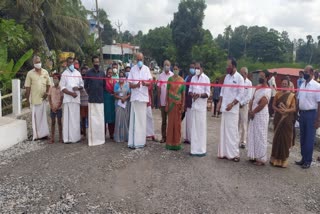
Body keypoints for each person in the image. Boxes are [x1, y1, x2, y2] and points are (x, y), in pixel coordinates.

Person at [217, 57, 244, 162]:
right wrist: (219, 102)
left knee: (232, 132)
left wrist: (232, 104)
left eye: (228, 66)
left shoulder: (239, 78)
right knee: (224, 131)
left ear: (234, 66)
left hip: (232, 110)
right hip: (224, 108)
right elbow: (222, 91)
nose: (227, 67)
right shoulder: (227, 77)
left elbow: (240, 94)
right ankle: (223, 153)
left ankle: (234, 154)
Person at [295, 65, 320, 169]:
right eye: (303, 72)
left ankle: (308, 161)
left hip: (311, 114)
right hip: (303, 114)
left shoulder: (316, 86)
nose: (304, 73)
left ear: (311, 73)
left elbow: (319, 103)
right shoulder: (302, 85)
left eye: (306, 72)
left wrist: (318, 119)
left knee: (309, 138)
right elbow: (298, 100)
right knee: (302, 137)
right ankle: (303, 158)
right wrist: (296, 113)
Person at [127, 53, 152, 149]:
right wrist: (136, 85)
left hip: (143, 98)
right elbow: (129, 84)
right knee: (135, 120)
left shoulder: (146, 69)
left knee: (142, 121)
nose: (139, 61)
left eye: (141, 59)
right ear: (135, 60)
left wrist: (146, 83)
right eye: (138, 59)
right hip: (135, 98)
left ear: (143, 59)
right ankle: (134, 142)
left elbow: (150, 82)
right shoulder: (133, 69)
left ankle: (141, 141)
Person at [270, 78, 296, 168]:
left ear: (288, 85)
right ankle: (274, 159)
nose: (284, 85)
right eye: (283, 83)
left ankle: (283, 160)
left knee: (285, 139)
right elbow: (273, 105)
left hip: (287, 119)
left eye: (286, 84)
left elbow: (294, 108)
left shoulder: (292, 96)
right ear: (281, 84)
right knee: (277, 138)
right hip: (278, 118)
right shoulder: (277, 94)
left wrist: (286, 110)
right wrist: (278, 110)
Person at [247, 70, 272, 166]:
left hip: (261, 115)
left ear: (267, 78)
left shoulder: (267, 90)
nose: (260, 78)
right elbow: (252, 100)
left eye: (262, 76)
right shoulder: (257, 87)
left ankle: (261, 158)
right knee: (252, 134)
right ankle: (253, 155)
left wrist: (254, 111)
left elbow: (263, 103)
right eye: (260, 76)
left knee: (260, 135)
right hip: (253, 114)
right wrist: (250, 110)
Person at [25, 55, 51, 141]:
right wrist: (27, 101)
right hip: (35, 100)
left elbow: (49, 84)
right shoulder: (30, 73)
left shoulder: (45, 72)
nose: (38, 63)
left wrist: (47, 93)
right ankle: (36, 135)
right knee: (35, 118)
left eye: (39, 62)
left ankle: (44, 134)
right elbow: (27, 87)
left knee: (43, 118)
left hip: (43, 99)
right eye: (36, 62)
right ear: (33, 63)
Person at [60, 57, 84, 143]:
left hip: (76, 100)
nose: (71, 64)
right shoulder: (64, 74)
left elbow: (82, 85)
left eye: (72, 63)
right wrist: (71, 93)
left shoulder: (78, 73)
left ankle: (76, 138)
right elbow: (62, 88)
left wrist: (78, 88)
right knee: (67, 120)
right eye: (69, 63)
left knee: (75, 119)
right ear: (67, 63)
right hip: (68, 100)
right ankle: (67, 138)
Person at [189, 62, 210, 156]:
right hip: (194, 106)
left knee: (201, 129)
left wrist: (200, 95)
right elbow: (189, 90)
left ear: (202, 68)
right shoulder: (193, 78)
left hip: (201, 107)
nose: (196, 69)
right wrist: (192, 94)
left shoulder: (206, 79)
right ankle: (193, 150)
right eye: (195, 68)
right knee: (194, 129)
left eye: (198, 68)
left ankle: (201, 150)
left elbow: (208, 94)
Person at [84, 56, 106, 146]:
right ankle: (93, 140)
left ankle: (100, 139)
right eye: (95, 62)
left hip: (100, 100)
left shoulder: (102, 73)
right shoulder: (88, 73)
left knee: (100, 120)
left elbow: (104, 86)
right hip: (92, 100)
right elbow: (86, 86)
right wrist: (90, 93)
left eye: (98, 62)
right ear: (93, 63)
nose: (97, 64)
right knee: (92, 120)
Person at [166, 63, 185, 150]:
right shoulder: (169, 79)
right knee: (170, 124)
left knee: (177, 125)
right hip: (171, 105)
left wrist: (183, 105)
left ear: (179, 70)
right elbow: (167, 93)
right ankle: (169, 143)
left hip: (178, 105)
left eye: (176, 69)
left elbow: (183, 95)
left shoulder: (182, 81)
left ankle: (176, 143)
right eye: (174, 69)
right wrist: (166, 104)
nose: (175, 70)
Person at [157, 60, 174, 143]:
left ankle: (170, 137)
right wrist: (159, 101)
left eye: (168, 65)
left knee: (171, 121)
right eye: (165, 65)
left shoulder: (173, 75)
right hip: (163, 102)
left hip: (171, 103)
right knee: (164, 121)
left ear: (170, 66)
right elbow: (159, 89)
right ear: (163, 66)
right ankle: (164, 137)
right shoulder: (160, 76)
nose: (166, 66)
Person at [114, 71, 131, 143]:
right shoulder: (116, 85)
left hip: (125, 104)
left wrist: (125, 98)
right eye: (120, 76)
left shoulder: (127, 85)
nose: (121, 78)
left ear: (125, 77)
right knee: (118, 119)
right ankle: (118, 137)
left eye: (122, 76)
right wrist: (121, 98)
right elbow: (114, 94)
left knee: (125, 119)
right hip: (118, 103)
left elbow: (129, 94)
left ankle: (125, 136)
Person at [238, 67, 252, 149]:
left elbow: (249, 96)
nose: (241, 74)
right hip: (237, 104)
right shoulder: (239, 81)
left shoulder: (249, 83)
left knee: (243, 123)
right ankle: (237, 140)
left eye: (242, 73)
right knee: (237, 123)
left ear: (246, 74)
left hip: (244, 106)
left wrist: (242, 103)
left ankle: (243, 141)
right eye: (240, 73)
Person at [48, 73, 64, 144]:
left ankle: (61, 138)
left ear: (59, 79)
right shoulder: (51, 88)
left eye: (56, 78)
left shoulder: (61, 88)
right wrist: (51, 106)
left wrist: (57, 107)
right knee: (53, 123)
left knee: (59, 123)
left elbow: (62, 99)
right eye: (54, 78)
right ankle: (52, 138)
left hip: (59, 108)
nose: (55, 80)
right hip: (52, 108)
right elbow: (49, 97)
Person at [183, 62, 196, 144]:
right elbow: (184, 89)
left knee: (192, 121)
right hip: (187, 101)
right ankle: (187, 138)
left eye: (193, 67)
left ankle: (192, 138)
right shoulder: (187, 78)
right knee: (187, 121)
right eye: (190, 67)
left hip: (193, 102)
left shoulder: (195, 78)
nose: (191, 69)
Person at [104, 67, 116, 140]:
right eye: (109, 72)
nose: (110, 74)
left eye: (111, 72)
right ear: (106, 72)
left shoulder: (114, 81)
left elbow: (115, 89)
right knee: (105, 116)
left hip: (112, 100)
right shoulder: (103, 80)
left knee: (112, 117)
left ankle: (112, 134)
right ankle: (103, 134)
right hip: (105, 99)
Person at [80, 66, 89, 137]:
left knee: (89, 118)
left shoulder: (90, 80)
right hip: (82, 102)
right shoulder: (79, 81)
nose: (84, 74)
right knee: (83, 118)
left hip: (89, 101)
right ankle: (84, 134)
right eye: (83, 72)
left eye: (85, 72)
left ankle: (90, 133)